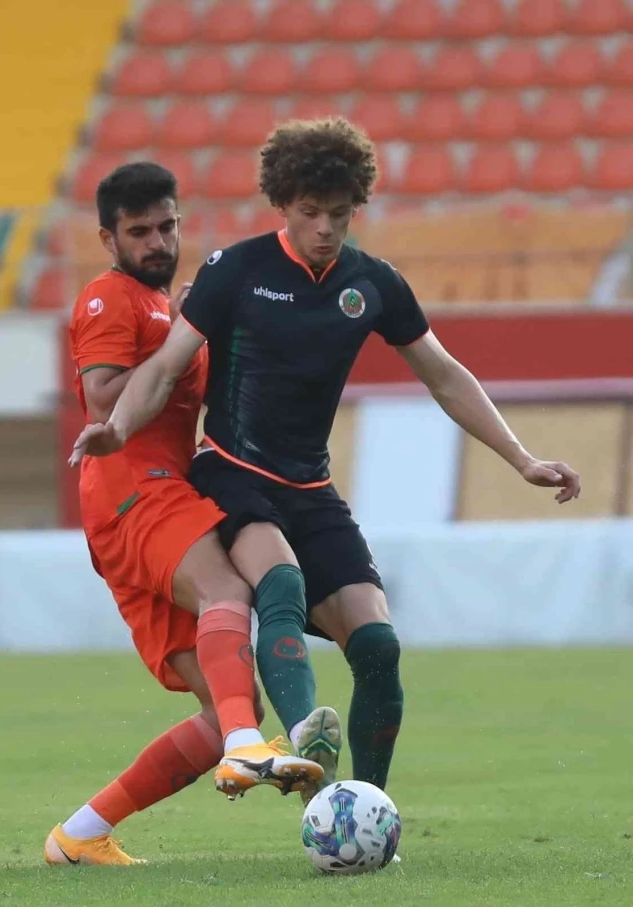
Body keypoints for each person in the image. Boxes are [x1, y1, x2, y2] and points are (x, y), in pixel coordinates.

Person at [71, 118, 581, 801]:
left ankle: (366, 810)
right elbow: (163, 368)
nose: (324, 228)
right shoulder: (236, 270)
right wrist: (117, 427)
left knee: (378, 647)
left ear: (355, 208)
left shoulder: (373, 283)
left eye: (338, 214)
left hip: (312, 488)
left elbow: (444, 375)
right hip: (232, 473)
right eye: (310, 212)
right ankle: (305, 743)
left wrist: (521, 459)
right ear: (282, 203)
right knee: (278, 582)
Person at [45, 162, 327, 868]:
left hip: (135, 507)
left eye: (167, 226)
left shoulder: (167, 307)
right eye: (139, 231)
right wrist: (183, 337)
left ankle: (80, 833)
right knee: (226, 589)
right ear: (108, 239)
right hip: (135, 490)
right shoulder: (110, 297)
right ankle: (246, 750)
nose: (157, 242)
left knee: (227, 701)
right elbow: (104, 399)